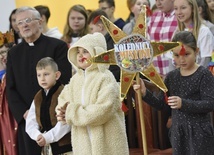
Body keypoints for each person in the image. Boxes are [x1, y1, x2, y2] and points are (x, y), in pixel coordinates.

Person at [133, 31, 214, 155]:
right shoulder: (171, 77)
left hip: (199, 132)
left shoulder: (204, 74)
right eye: (176, 55)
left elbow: (210, 104)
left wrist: (183, 103)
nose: (181, 59)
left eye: (186, 54)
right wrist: (145, 93)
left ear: (196, 51)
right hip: (178, 133)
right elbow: (162, 105)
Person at [6, 6, 71, 155]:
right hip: (28, 121)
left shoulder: (58, 46)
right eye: (20, 22)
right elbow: (10, 88)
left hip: (54, 118)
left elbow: (64, 81)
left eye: (28, 20)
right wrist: (25, 113)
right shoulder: (13, 53)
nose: (24, 25)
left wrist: (45, 109)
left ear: (40, 21)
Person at [56, 32, 129, 155]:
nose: (80, 55)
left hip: (107, 143)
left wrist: (72, 113)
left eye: (85, 51)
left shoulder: (106, 78)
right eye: (78, 52)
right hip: (83, 142)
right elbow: (62, 102)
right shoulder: (75, 80)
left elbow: (102, 110)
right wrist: (62, 112)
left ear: (97, 53)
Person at [26, 57, 72, 155]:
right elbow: (31, 121)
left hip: (65, 148)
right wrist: (38, 136)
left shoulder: (64, 93)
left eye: (46, 74)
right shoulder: (38, 97)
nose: (42, 78)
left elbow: (66, 123)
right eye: (39, 75)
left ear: (57, 75)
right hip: (46, 149)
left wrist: (47, 137)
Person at [174, 0, 214, 67]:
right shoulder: (176, 32)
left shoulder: (203, 31)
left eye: (183, 8)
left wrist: (192, 76)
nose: (179, 12)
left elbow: (205, 61)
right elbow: (171, 59)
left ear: (193, 9)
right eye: (176, 8)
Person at [88, 9, 120, 82]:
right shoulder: (116, 40)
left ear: (100, 27)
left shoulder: (107, 46)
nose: (90, 33)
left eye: (91, 29)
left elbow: (114, 70)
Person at [0, 32, 18, 155]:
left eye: (5, 52)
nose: (3, 56)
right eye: (0, 53)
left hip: (12, 115)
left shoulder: (16, 72)